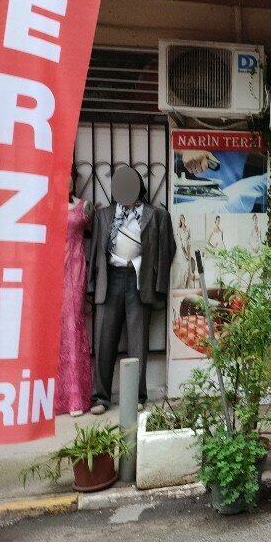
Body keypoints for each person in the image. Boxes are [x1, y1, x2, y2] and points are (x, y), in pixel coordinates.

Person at [87, 167, 174, 414]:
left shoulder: (155, 216)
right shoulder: (104, 215)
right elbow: (95, 253)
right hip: (110, 278)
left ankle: (137, 395)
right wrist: (92, 287)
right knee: (104, 339)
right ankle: (101, 398)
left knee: (138, 341)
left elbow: (166, 251)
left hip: (138, 279)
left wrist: (159, 287)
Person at [55, 167, 93, 416]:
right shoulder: (44, 204)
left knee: (72, 324)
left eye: (69, 174)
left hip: (75, 270)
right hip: (52, 269)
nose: (66, 179)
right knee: (53, 329)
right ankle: (55, 398)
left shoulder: (84, 206)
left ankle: (77, 398)